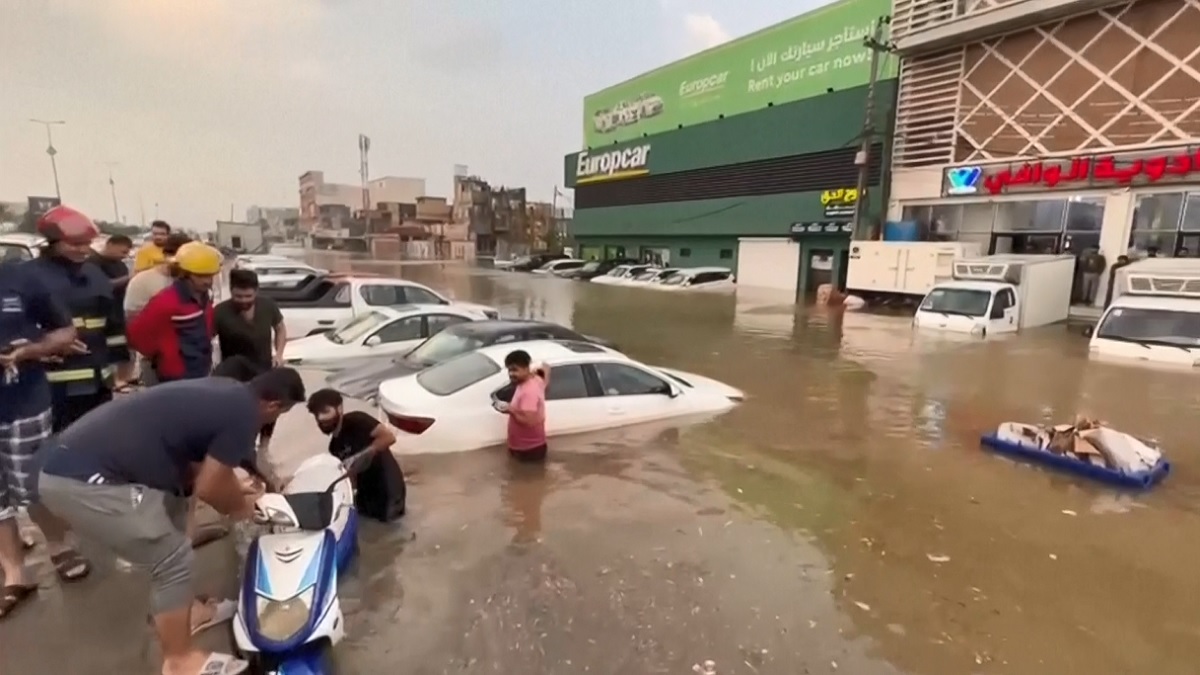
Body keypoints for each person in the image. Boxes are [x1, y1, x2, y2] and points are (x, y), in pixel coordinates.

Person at [37, 368, 306, 675]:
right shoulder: (245, 415)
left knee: (177, 509)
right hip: (83, 480)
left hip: (77, 458)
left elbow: (199, 475)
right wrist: (243, 510)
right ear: (274, 406)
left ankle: (188, 612)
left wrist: (231, 486)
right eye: (281, 413)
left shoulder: (228, 392)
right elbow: (211, 488)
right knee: (171, 559)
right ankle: (180, 662)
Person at [0, 260, 78, 619]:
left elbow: (64, 331)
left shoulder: (20, 277)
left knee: (33, 486)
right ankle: (14, 573)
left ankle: (62, 547)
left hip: (23, 402)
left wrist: (29, 351)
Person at [306, 388, 406, 522]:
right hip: (365, 495)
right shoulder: (334, 446)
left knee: (392, 532)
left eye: (325, 412)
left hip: (388, 489)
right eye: (316, 414)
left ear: (339, 408)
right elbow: (350, 476)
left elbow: (388, 437)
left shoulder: (358, 420)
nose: (321, 418)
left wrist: (361, 456)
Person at [214, 269, 287, 449]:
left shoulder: (268, 306)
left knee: (271, 409)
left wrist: (279, 354)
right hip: (235, 375)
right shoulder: (220, 312)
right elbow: (206, 340)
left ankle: (264, 448)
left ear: (256, 291)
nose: (244, 301)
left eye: (248, 296)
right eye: (238, 296)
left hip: (264, 368)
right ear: (231, 291)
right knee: (241, 414)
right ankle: (243, 448)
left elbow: (280, 328)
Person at [128, 241, 220, 383]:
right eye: (201, 276)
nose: (208, 281)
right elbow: (137, 335)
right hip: (176, 377)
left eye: (210, 276)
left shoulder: (204, 297)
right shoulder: (166, 302)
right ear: (185, 274)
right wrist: (164, 354)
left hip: (201, 370)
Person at [90, 234, 135, 387]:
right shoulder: (93, 264)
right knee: (104, 353)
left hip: (118, 314)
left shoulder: (120, 265)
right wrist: (129, 278)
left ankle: (122, 380)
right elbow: (103, 286)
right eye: (122, 252)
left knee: (122, 351)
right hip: (100, 315)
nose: (125, 256)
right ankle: (111, 382)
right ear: (110, 245)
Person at [497, 349, 549, 462]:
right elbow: (546, 367)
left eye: (515, 370)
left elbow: (529, 421)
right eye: (509, 370)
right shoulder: (537, 379)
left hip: (528, 450)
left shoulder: (528, 392)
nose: (511, 374)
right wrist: (536, 369)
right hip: (529, 446)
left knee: (527, 479)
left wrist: (511, 410)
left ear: (526, 368)